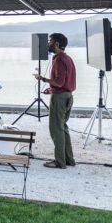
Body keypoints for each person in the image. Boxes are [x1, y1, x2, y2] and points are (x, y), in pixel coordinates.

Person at [35, 33, 77, 169]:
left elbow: (59, 82)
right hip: (68, 96)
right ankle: (69, 159)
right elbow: (64, 83)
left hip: (59, 98)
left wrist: (43, 79)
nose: (48, 44)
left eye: (50, 41)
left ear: (57, 44)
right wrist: (51, 89)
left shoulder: (59, 59)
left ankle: (60, 162)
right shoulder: (68, 58)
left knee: (56, 129)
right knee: (63, 127)